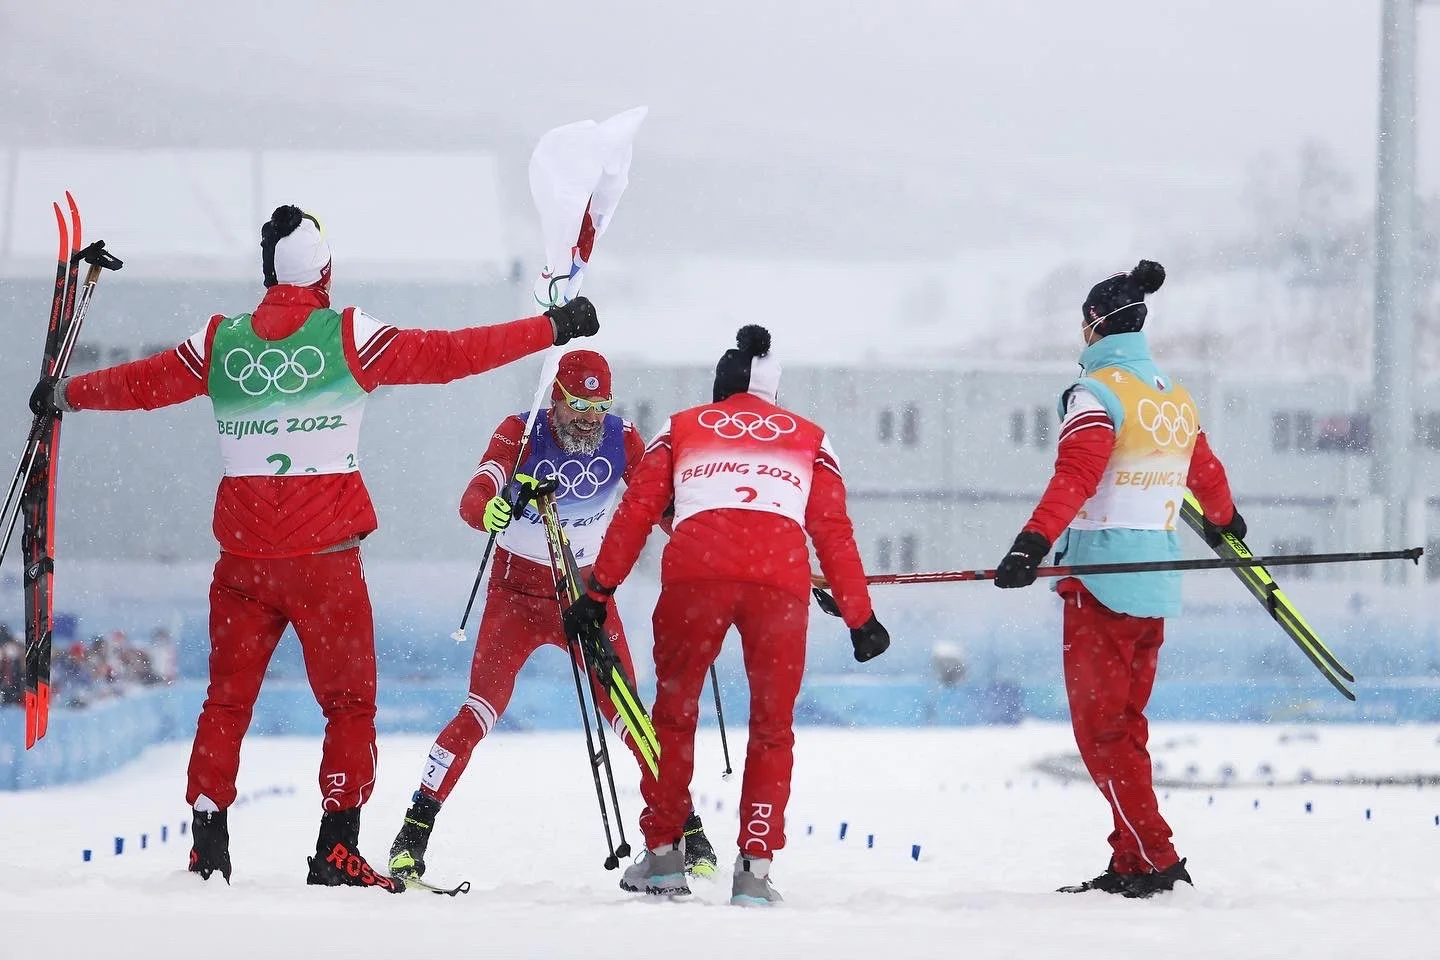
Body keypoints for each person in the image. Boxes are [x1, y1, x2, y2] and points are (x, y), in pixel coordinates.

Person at [27, 205, 599, 892]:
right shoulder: (349, 334)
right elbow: (453, 355)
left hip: (242, 564)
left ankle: (207, 846)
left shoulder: (222, 339)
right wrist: (551, 329)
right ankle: (337, 846)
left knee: (226, 702)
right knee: (349, 706)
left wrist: (67, 394)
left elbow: (140, 383)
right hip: (325, 565)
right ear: (324, 269)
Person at [563, 325, 890, 906]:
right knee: (772, 727)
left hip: (696, 575)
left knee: (675, 714)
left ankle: (664, 856)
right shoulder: (813, 437)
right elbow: (833, 531)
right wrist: (859, 615)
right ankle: (755, 870)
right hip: (779, 581)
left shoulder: (682, 426)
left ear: (722, 386)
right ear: (773, 392)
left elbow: (638, 510)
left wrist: (597, 594)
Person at [387, 349, 717, 882]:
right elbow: (475, 496)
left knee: (632, 715)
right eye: (579, 402)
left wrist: (701, 541)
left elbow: (660, 507)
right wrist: (489, 509)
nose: (589, 415)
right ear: (557, 398)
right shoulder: (520, 432)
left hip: (584, 596)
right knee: (479, 710)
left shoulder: (623, 438)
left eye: (599, 403)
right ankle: (413, 831)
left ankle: (686, 827)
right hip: (515, 594)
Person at [992, 260, 1242, 899]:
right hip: (1155, 584)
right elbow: (1204, 472)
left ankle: (1156, 857)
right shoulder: (1171, 398)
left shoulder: (1095, 394)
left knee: (1102, 735)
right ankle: (1131, 861)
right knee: (1125, 729)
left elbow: (1075, 478)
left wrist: (1031, 543)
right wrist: (1226, 521)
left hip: (1102, 582)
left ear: (1095, 328)